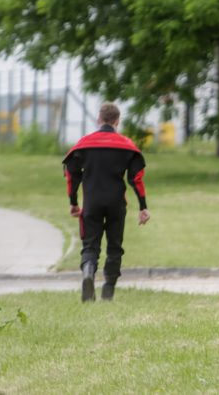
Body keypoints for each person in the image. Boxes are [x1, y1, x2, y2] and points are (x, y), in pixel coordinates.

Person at [63, 102, 150, 302]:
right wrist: (143, 207)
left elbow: (72, 175)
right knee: (114, 246)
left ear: (99, 119)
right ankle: (108, 290)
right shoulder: (127, 146)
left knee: (90, 245)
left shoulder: (84, 144)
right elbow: (136, 179)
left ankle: (88, 272)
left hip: (91, 202)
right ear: (117, 121)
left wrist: (74, 201)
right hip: (116, 203)